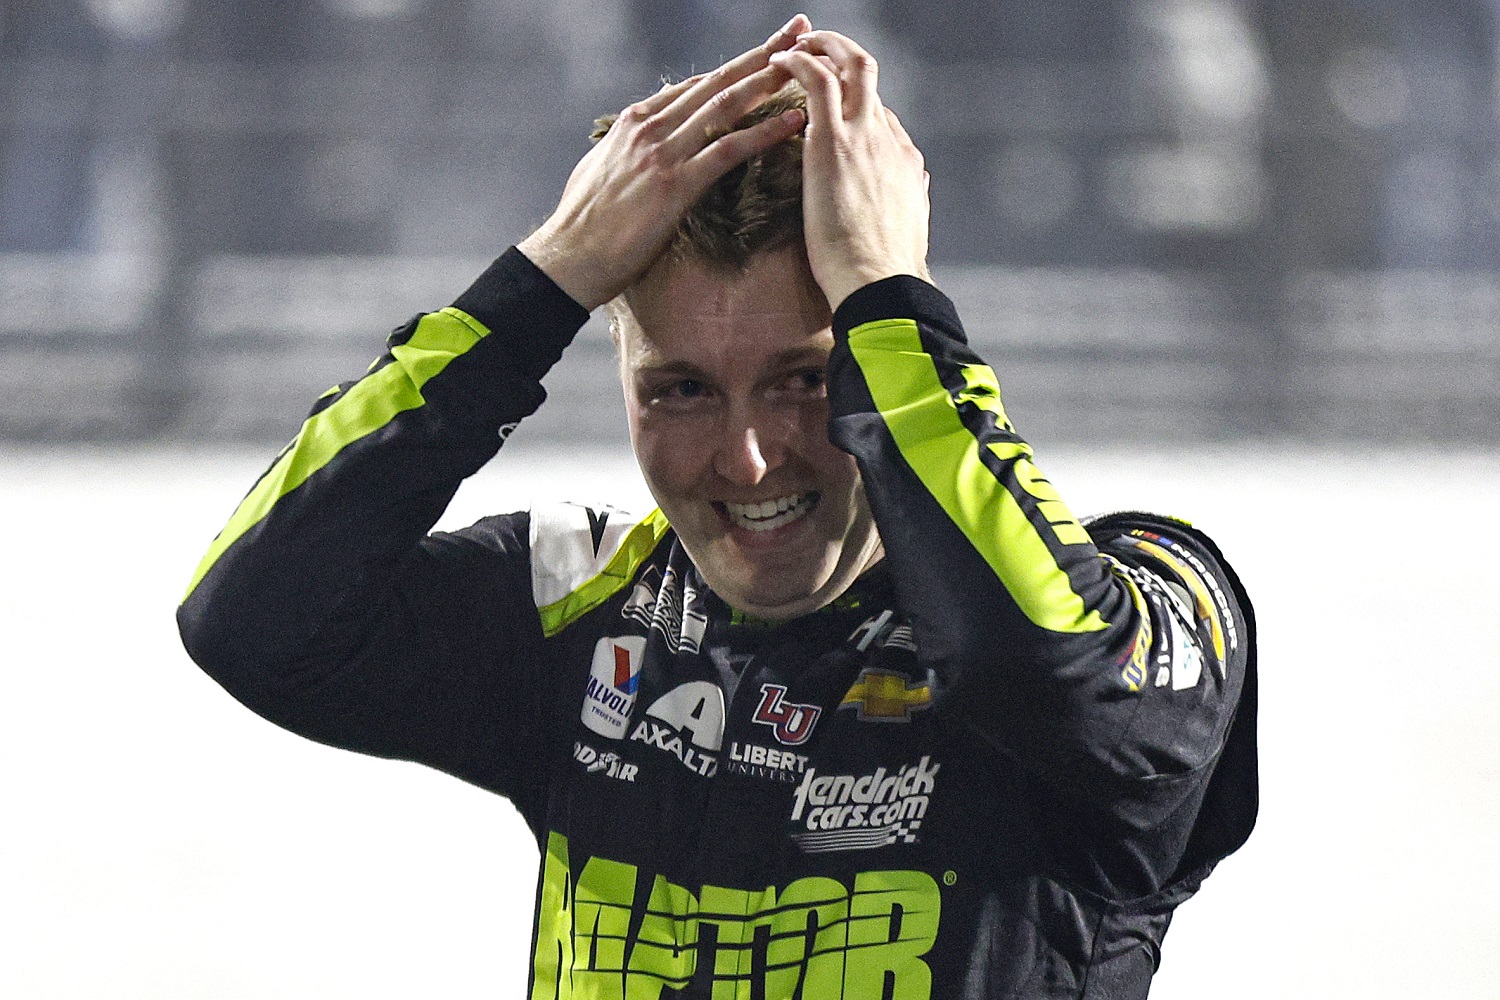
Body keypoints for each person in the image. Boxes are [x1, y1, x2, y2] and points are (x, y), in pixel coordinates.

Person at [178, 15, 1257, 999]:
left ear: (890, 364)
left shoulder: (1144, 594)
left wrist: (885, 296)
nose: (746, 460)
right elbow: (250, 615)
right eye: (681, 389)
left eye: (805, 379)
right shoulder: (581, 603)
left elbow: (1045, 670)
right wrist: (543, 279)